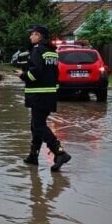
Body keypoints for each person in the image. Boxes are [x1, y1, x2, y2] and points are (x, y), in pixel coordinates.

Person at [16, 24, 71, 172]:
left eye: (32, 34)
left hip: (39, 95)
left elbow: (34, 74)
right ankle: (33, 156)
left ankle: (60, 153)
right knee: (35, 125)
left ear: (39, 36)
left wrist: (23, 75)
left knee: (38, 126)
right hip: (49, 95)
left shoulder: (37, 50)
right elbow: (55, 74)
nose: (30, 37)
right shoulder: (52, 52)